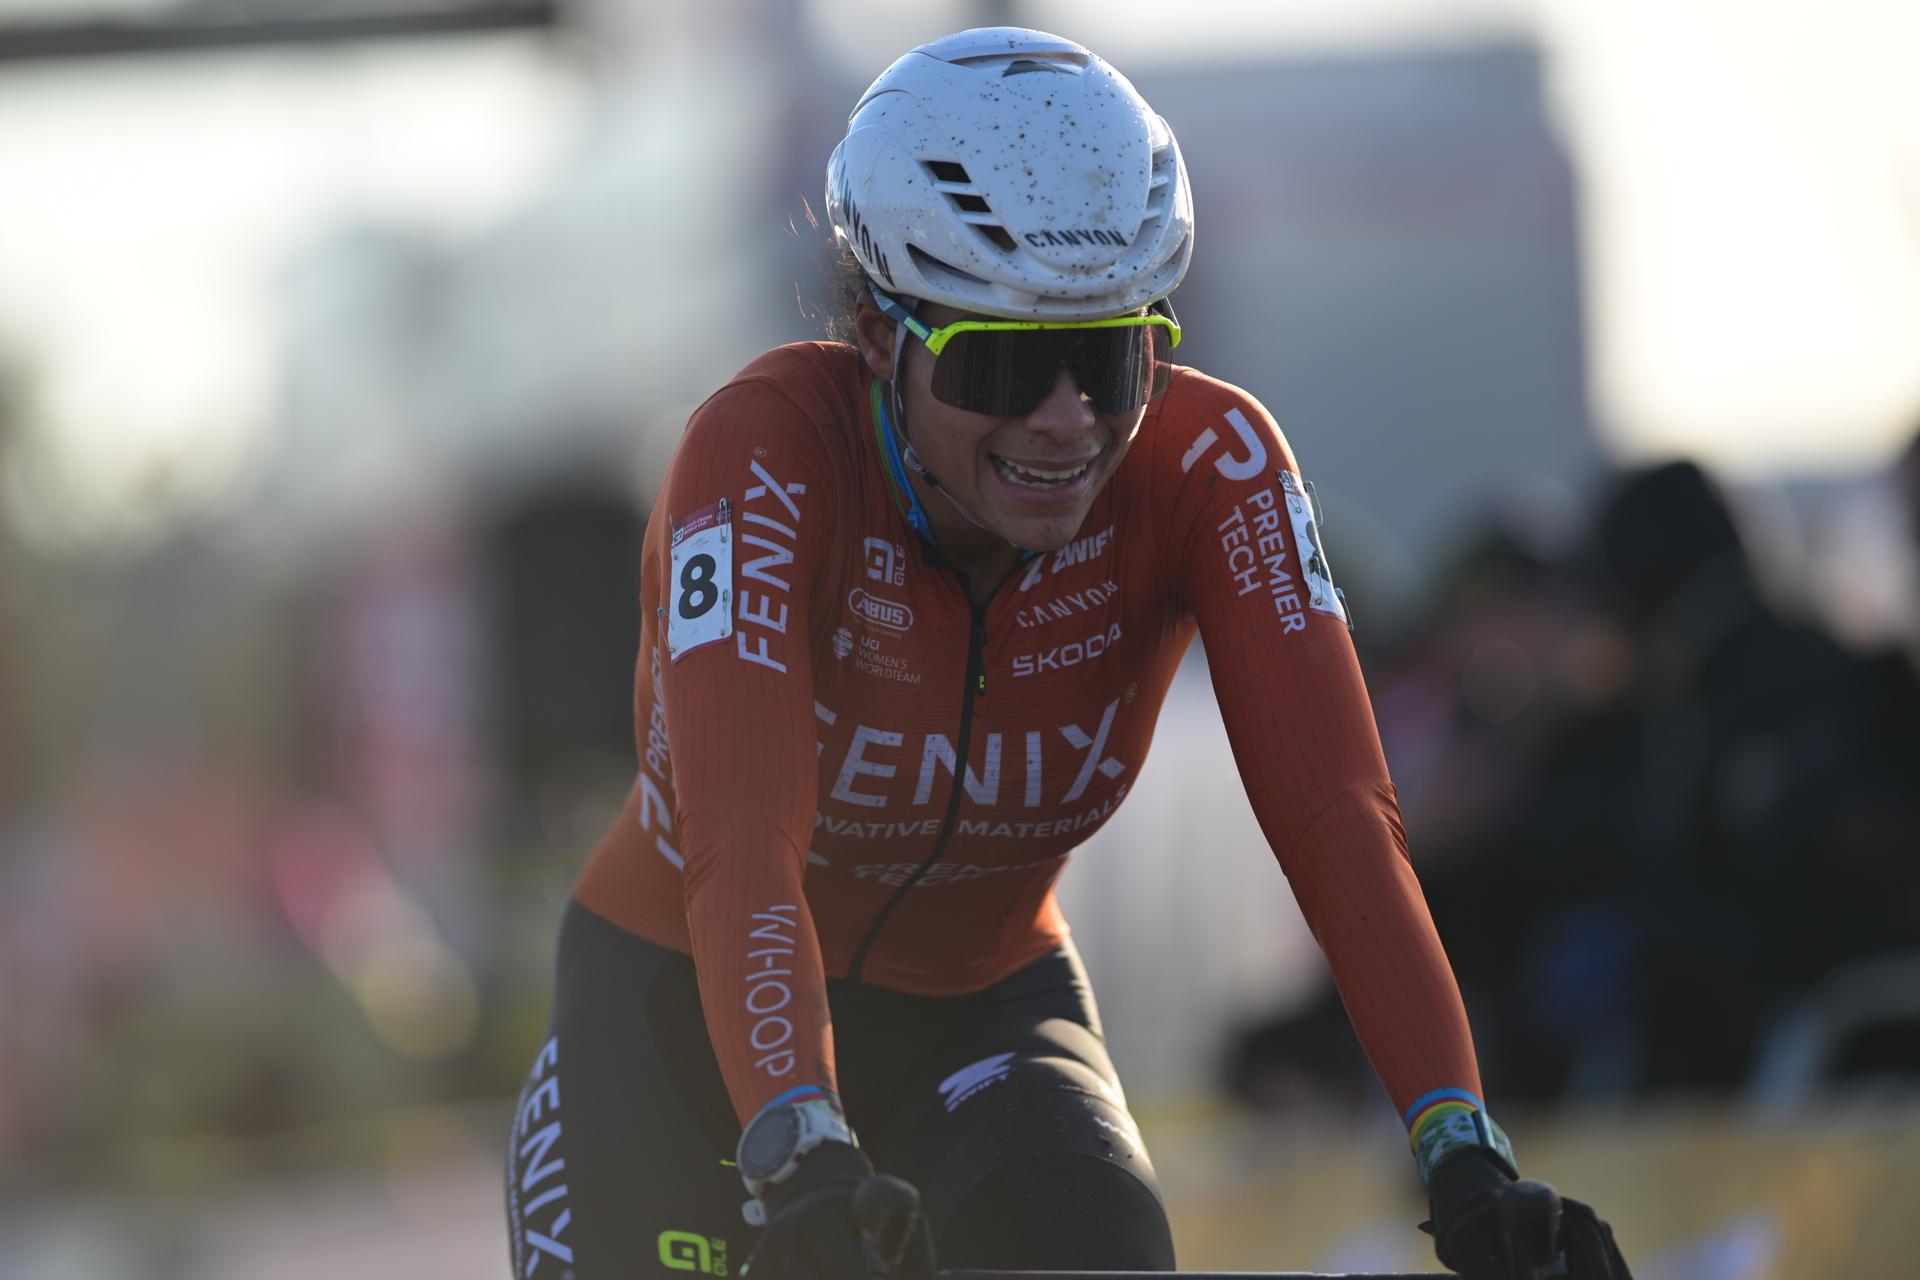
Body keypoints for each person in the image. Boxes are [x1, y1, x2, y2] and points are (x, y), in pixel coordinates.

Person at [504, 27, 1631, 1280]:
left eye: (1109, 357)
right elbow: (745, 844)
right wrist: (795, 1135)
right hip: (688, 1023)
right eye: (1001, 359)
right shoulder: (764, 457)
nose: (1066, 421)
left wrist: (1460, 1143)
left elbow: (1340, 818)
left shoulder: (1212, 466)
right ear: (880, 338)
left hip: (984, 1013)